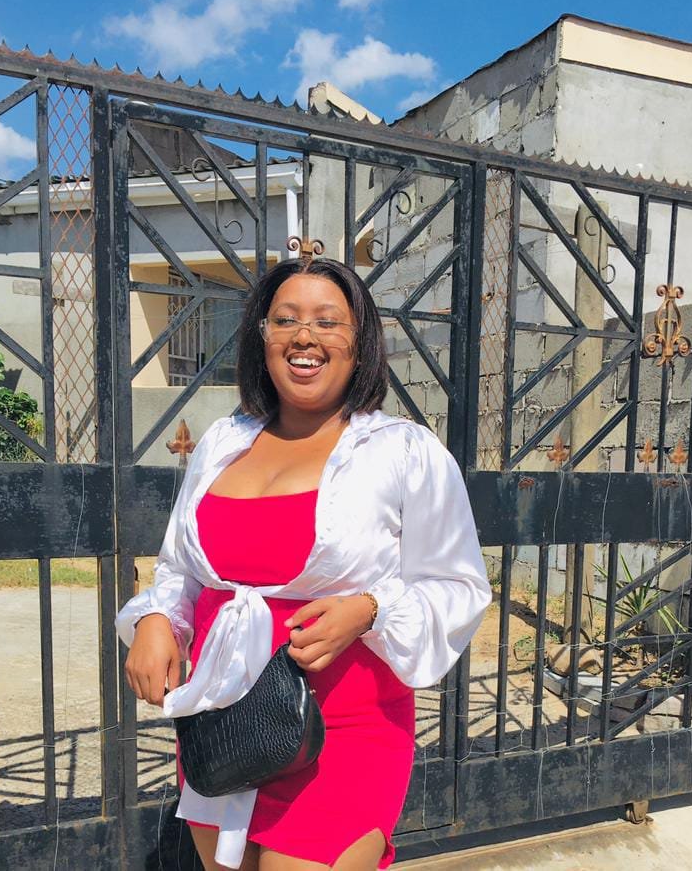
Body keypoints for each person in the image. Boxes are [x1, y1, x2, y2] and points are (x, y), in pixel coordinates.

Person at [116, 257, 490, 870]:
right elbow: (182, 567)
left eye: (327, 321)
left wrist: (369, 609)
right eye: (285, 320)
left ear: (360, 342)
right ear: (262, 338)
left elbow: (457, 586)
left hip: (346, 729)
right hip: (225, 722)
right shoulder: (223, 442)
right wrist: (158, 619)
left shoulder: (403, 452)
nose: (304, 337)